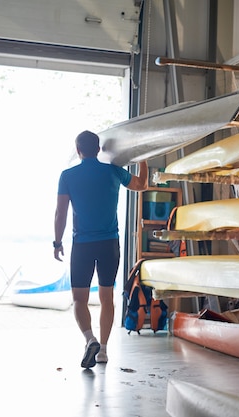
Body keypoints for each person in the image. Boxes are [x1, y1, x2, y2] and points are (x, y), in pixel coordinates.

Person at [53, 130, 148, 368]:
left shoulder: (67, 175)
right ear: (98, 149)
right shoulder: (112, 171)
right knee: (107, 297)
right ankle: (103, 350)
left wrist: (57, 242)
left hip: (82, 245)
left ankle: (90, 339)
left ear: (78, 150)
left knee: (79, 299)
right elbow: (141, 185)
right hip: (109, 245)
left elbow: (60, 213)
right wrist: (143, 159)